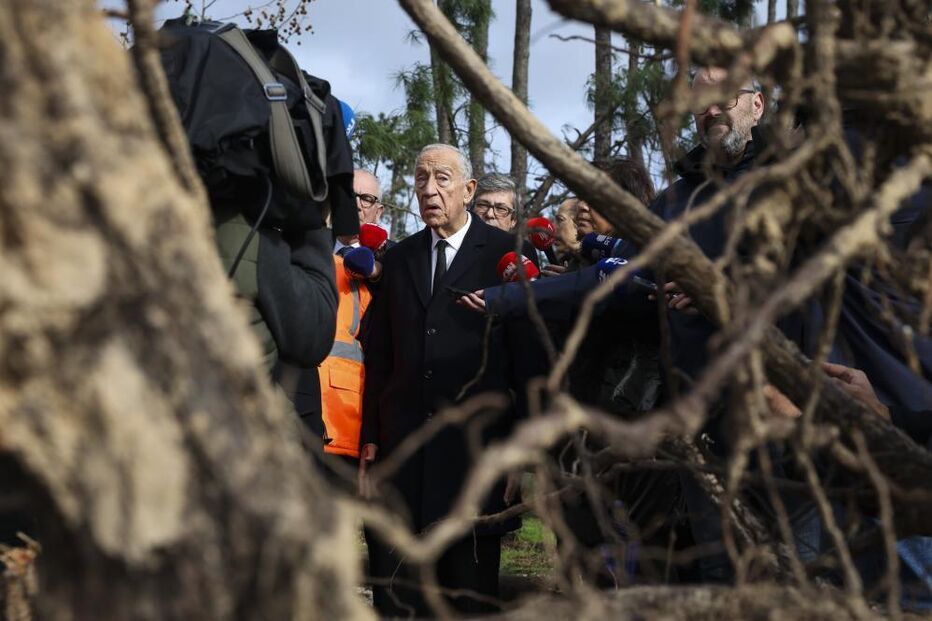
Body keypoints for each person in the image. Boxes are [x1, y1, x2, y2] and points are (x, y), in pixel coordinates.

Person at [359, 144, 547, 616]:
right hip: (401, 458)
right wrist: (370, 441)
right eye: (421, 179)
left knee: (467, 599)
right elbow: (379, 357)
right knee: (398, 599)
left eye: (442, 178)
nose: (428, 190)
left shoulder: (507, 257)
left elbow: (528, 362)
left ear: (468, 190)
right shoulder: (400, 259)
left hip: (474, 459)